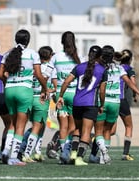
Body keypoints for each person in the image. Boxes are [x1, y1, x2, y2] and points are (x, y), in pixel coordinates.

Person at [89, 45, 139, 165]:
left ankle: (97, 154)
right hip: (116, 102)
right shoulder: (119, 68)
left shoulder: (98, 68)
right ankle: (103, 158)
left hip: (102, 101)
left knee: (99, 131)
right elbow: (129, 83)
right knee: (108, 131)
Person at [0, 29, 48, 166]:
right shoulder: (32, 53)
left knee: (12, 124)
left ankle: (5, 151)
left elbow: (0, 74)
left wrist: (7, 82)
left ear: (16, 39)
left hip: (9, 90)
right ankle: (13, 157)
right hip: (24, 91)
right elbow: (38, 75)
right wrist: (45, 88)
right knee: (20, 126)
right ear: (28, 40)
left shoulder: (8, 53)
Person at [56, 45, 108, 166]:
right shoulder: (102, 70)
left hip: (77, 103)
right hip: (91, 104)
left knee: (77, 129)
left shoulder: (79, 67)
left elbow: (66, 82)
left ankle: (73, 154)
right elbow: (102, 91)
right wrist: (102, 104)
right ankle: (79, 158)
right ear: (100, 57)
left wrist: (60, 96)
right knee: (86, 131)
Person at [19, 46, 57, 163]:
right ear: (50, 56)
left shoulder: (34, 66)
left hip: (30, 97)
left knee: (40, 126)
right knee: (37, 127)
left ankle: (38, 152)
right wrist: (49, 90)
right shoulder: (51, 68)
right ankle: (26, 153)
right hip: (41, 99)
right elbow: (54, 85)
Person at [49, 31, 82, 164]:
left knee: (62, 126)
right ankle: (67, 151)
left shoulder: (56, 57)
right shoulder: (79, 57)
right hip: (75, 95)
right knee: (73, 127)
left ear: (62, 42)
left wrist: (50, 92)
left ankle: (63, 152)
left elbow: (51, 75)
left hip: (60, 95)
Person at [115, 49, 137, 161]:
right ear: (130, 59)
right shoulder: (128, 69)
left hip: (110, 100)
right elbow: (132, 82)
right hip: (121, 100)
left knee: (109, 130)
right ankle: (125, 153)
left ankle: (95, 148)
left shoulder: (113, 67)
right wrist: (135, 95)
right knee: (129, 126)